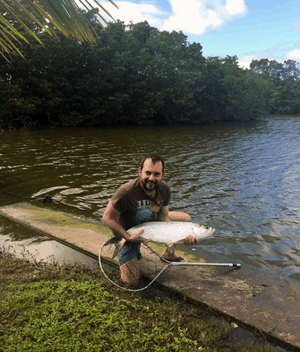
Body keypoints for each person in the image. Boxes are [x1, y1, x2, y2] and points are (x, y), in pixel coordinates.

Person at [102, 153, 197, 287]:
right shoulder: (126, 191)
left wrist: (180, 236)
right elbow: (107, 217)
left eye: (156, 174)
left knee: (185, 219)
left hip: (151, 223)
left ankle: (169, 254)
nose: (151, 178)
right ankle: (127, 248)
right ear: (140, 171)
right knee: (131, 281)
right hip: (129, 231)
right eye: (148, 173)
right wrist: (127, 237)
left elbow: (163, 217)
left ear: (163, 174)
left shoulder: (164, 189)